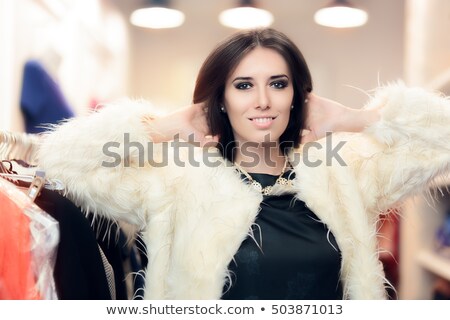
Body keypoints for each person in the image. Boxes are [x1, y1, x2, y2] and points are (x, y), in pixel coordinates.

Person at [37, 28, 450, 299]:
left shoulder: (347, 173)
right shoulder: (175, 180)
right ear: (221, 98)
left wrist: (358, 119)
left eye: (278, 83)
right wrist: (163, 125)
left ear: (298, 96)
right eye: (243, 85)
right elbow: (61, 162)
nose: (263, 101)